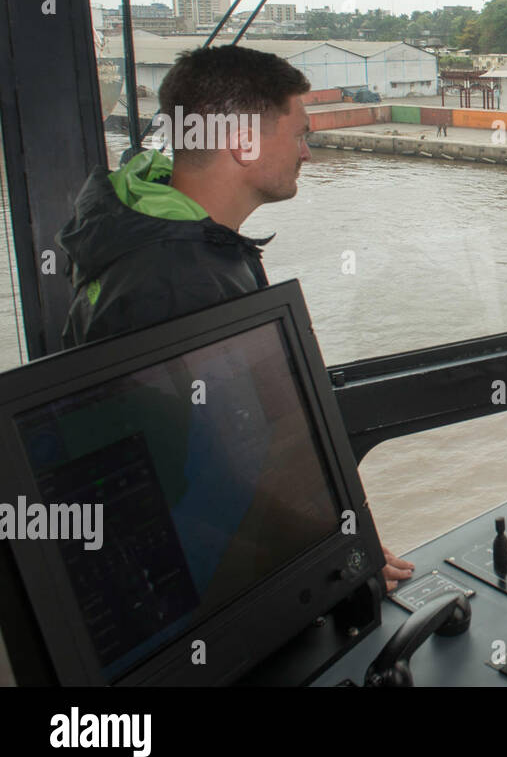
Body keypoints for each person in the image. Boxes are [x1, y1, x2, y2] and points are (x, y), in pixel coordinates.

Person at [57, 44, 415, 591]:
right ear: (243, 144)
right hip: (201, 583)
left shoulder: (159, 234)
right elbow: (209, 482)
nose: (307, 154)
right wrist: (338, 551)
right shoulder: (177, 281)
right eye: (299, 135)